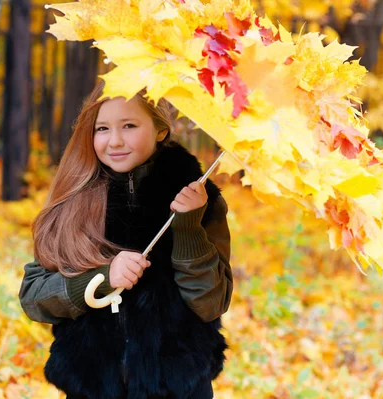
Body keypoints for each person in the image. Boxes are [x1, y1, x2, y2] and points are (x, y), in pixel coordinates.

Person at [18, 80, 233, 399]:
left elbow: (211, 302)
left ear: (160, 129)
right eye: (102, 128)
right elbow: (34, 297)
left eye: (129, 125)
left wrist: (187, 227)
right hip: (92, 388)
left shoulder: (200, 200)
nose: (114, 141)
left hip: (179, 388)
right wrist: (100, 280)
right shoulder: (75, 198)